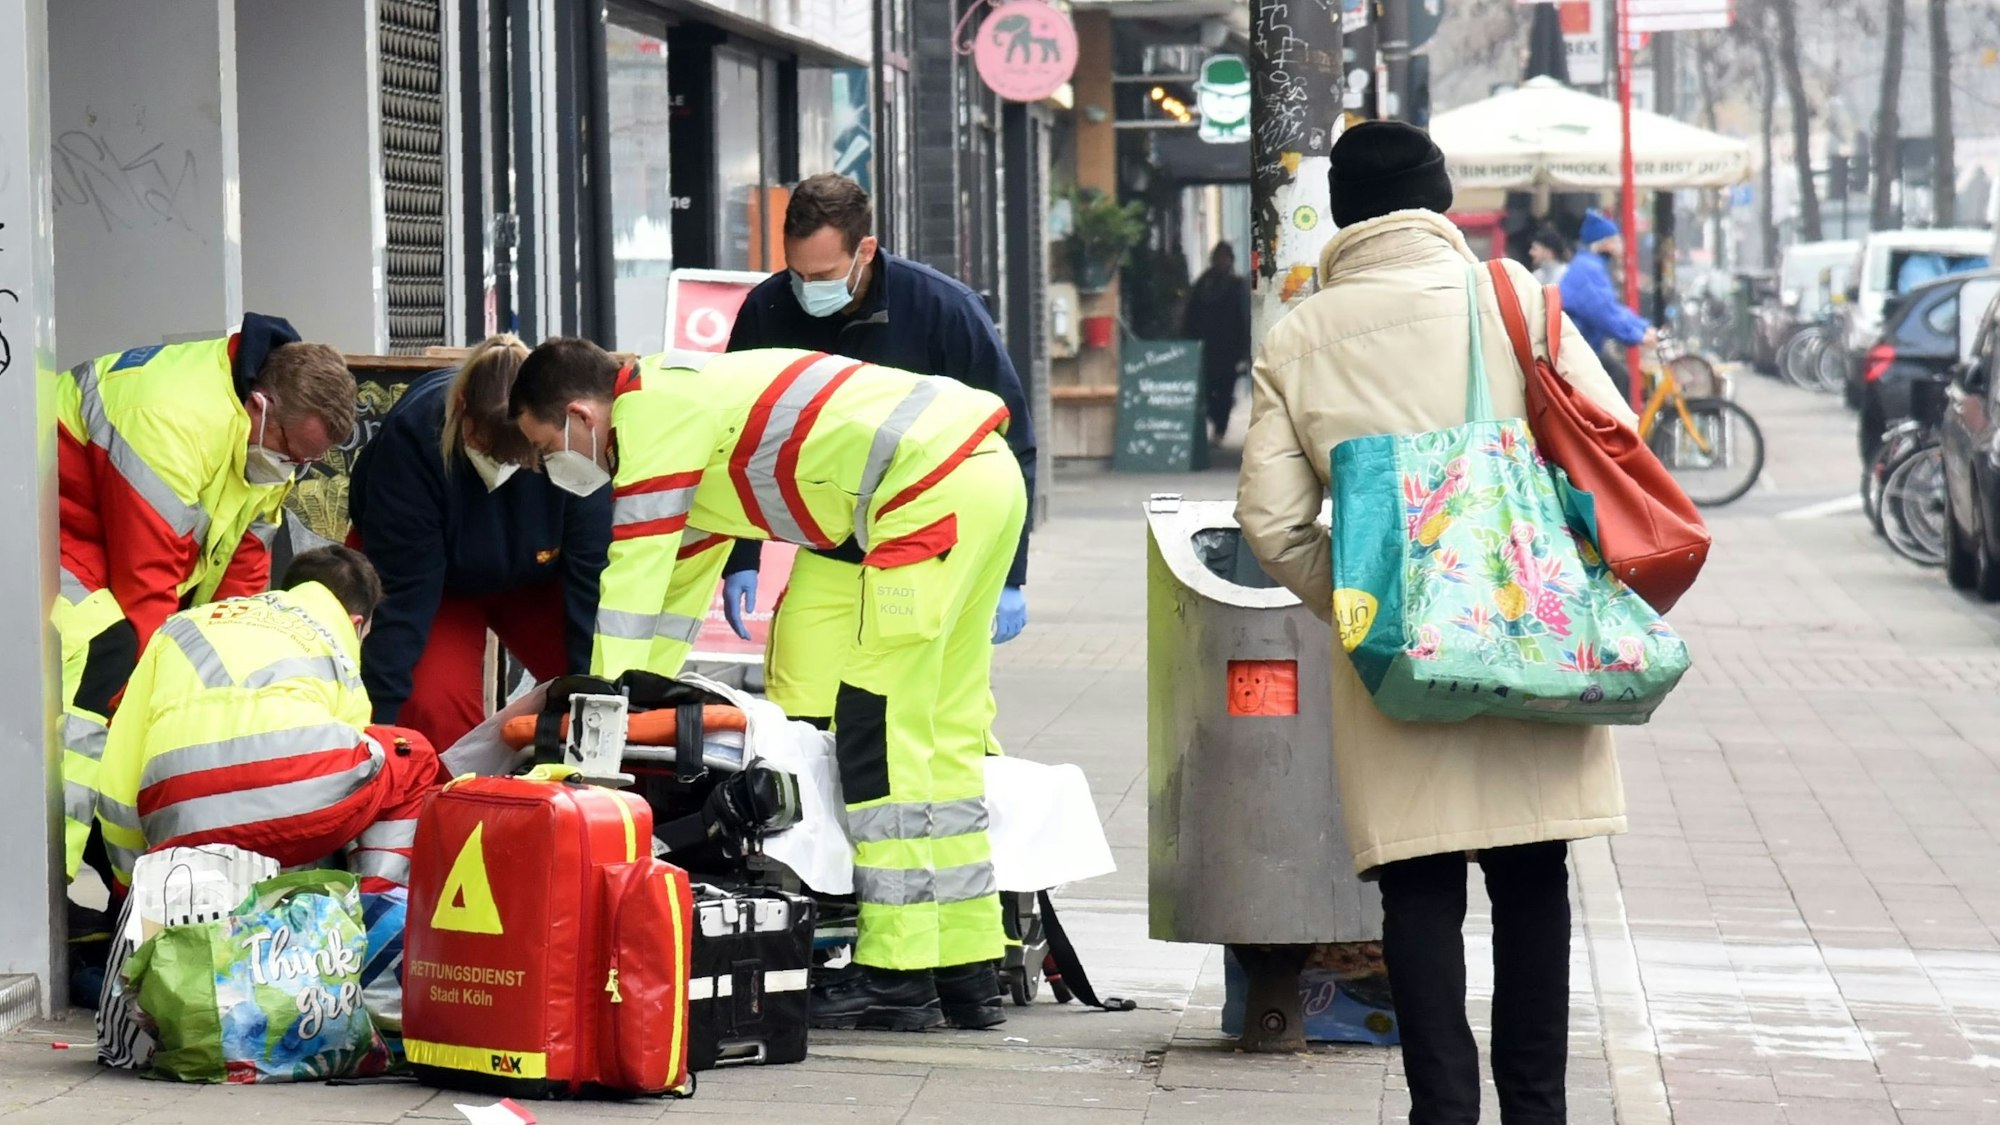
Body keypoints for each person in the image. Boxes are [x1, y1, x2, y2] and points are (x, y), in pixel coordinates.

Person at [1235, 120, 1632, 1125]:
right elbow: (1611, 443)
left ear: (1345, 216)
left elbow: (1271, 524)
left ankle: (1441, 1112)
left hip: (1396, 657)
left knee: (1415, 889)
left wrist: (1369, 605)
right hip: (1530, 630)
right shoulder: (1515, 300)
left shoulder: (1296, 336)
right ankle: (1536, 1111)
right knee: (1533, 873)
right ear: (1438, 198)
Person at [509, 338, 1025, 1033]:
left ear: (579, 413)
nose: (551, 467)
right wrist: (644, 700)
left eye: (546, 447)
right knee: (945, 729)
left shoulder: (650, 417)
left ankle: (897, 975)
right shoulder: (691, 408)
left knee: (878, 730)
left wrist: (592, 733)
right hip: (984, 477)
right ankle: (968, 968)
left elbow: (629, 586)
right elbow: (670, 600)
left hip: (925, 493)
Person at [722, 173, 1037, 727]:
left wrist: (1009, 574)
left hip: (928, 546)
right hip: (830, 545)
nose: (804, 286)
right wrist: (740, 557)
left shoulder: (943, 310)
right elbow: (737, 437)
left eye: (820, 274)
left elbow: (1012, 440)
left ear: (864, 250)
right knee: (798, 703)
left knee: (923, 710)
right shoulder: (768, 311)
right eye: (795, 272)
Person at [56, 315, 357, 883]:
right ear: (260, 406)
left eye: (308, 462)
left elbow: (243, 563)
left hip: (96, 530)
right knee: (106, 654)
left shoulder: (267, 436)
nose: (297, 470)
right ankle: (51, 876)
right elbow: (146, 589)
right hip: (41, 513)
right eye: (294, 452)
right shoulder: (171, 418)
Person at [93, 546, 439, 893]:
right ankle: (375, 917)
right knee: (412, 755)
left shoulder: (183, 625)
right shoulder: (335, 645)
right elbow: (336, 791)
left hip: (179, 813)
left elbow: (120, 772)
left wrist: (133, 883)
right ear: (357, 623)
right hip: (290, 794)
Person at [348, 334, 611, 752]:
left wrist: (597, 713)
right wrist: (376, 729)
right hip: (432, 583)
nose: (501, 467)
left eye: (520, 457)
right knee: (435, 710)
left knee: (591, 678)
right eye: (487, 450)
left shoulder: (568, 442)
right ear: (461, 411)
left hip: (538, 576)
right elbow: (402, 600)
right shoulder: (413, 440)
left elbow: (591, 581)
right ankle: (446, 801)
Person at [1559, 209, 1656, 402]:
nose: (1621, 245)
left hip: (1580, 345)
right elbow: (1603, 313)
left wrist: (1642, 327)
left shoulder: (1588, 265)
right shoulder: (1589, 269)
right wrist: (1637, 335)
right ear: (1605, 244)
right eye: (1616, 239)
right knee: (1619, 377)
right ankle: (1615, 431)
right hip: (1577, 348)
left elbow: (1610, 308)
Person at [1183, 241, 1253, 441]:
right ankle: (1215, 423)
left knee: (1224, 389)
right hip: (1206, 346)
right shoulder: (1203, 283)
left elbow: (1243, 318)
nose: (1221, 262)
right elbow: (1192, 313)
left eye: (1224, 258)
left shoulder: (1236, 286)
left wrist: (1243, 349)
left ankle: (1220, 428)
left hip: (1228, 348)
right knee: (1207, 388)